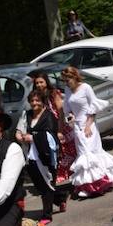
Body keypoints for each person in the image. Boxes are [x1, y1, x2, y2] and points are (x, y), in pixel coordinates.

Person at [62, 66, 113, 197]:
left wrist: (88, 125)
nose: (67, 82)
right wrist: (70, 117)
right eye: (65, 80)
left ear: (75, 77)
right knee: (83, 155)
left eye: (69, 79)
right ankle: (87, 185)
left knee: (91, 154)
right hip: (76, 126)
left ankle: (99, 184)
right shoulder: (67, 90)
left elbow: (93, 107)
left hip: (89, 125)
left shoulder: (86, 87)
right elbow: (68, 108)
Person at [29, 71, 72, 212]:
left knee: (57, 160)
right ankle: (59, 196)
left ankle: (63, 191)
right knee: (48, 165)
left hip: (55, 127)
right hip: (44, 129)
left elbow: (60, 112)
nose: (39, 85)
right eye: (37, 83)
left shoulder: (53, 93)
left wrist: (59, 130)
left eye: (41, 82)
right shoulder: (36, 97)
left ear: (46, 81)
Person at [16, 90, 60, 224]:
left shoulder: (49, 116)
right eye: (32, 101)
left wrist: (34, 137)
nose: (34, 103)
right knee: (40, 184)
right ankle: (61, 198)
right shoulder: (26, 114)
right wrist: (19, 136)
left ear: (43, 101)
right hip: (30, 155)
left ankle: (47, 215)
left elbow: (52, 136)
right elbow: (19, 129)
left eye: (37, 100)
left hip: (46, 156)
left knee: (47, 182)